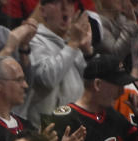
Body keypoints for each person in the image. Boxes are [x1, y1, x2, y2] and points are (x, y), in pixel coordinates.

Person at [21, 0, 91, 128]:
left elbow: (91, 85)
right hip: (45, 131)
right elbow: (47, 78)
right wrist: (73, 44)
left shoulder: (73, 44)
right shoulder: (34, 40)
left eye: (69, 3)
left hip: (74, 127)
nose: (65, 8)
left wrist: (88, 53)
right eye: (57, 2)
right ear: (42, 11)